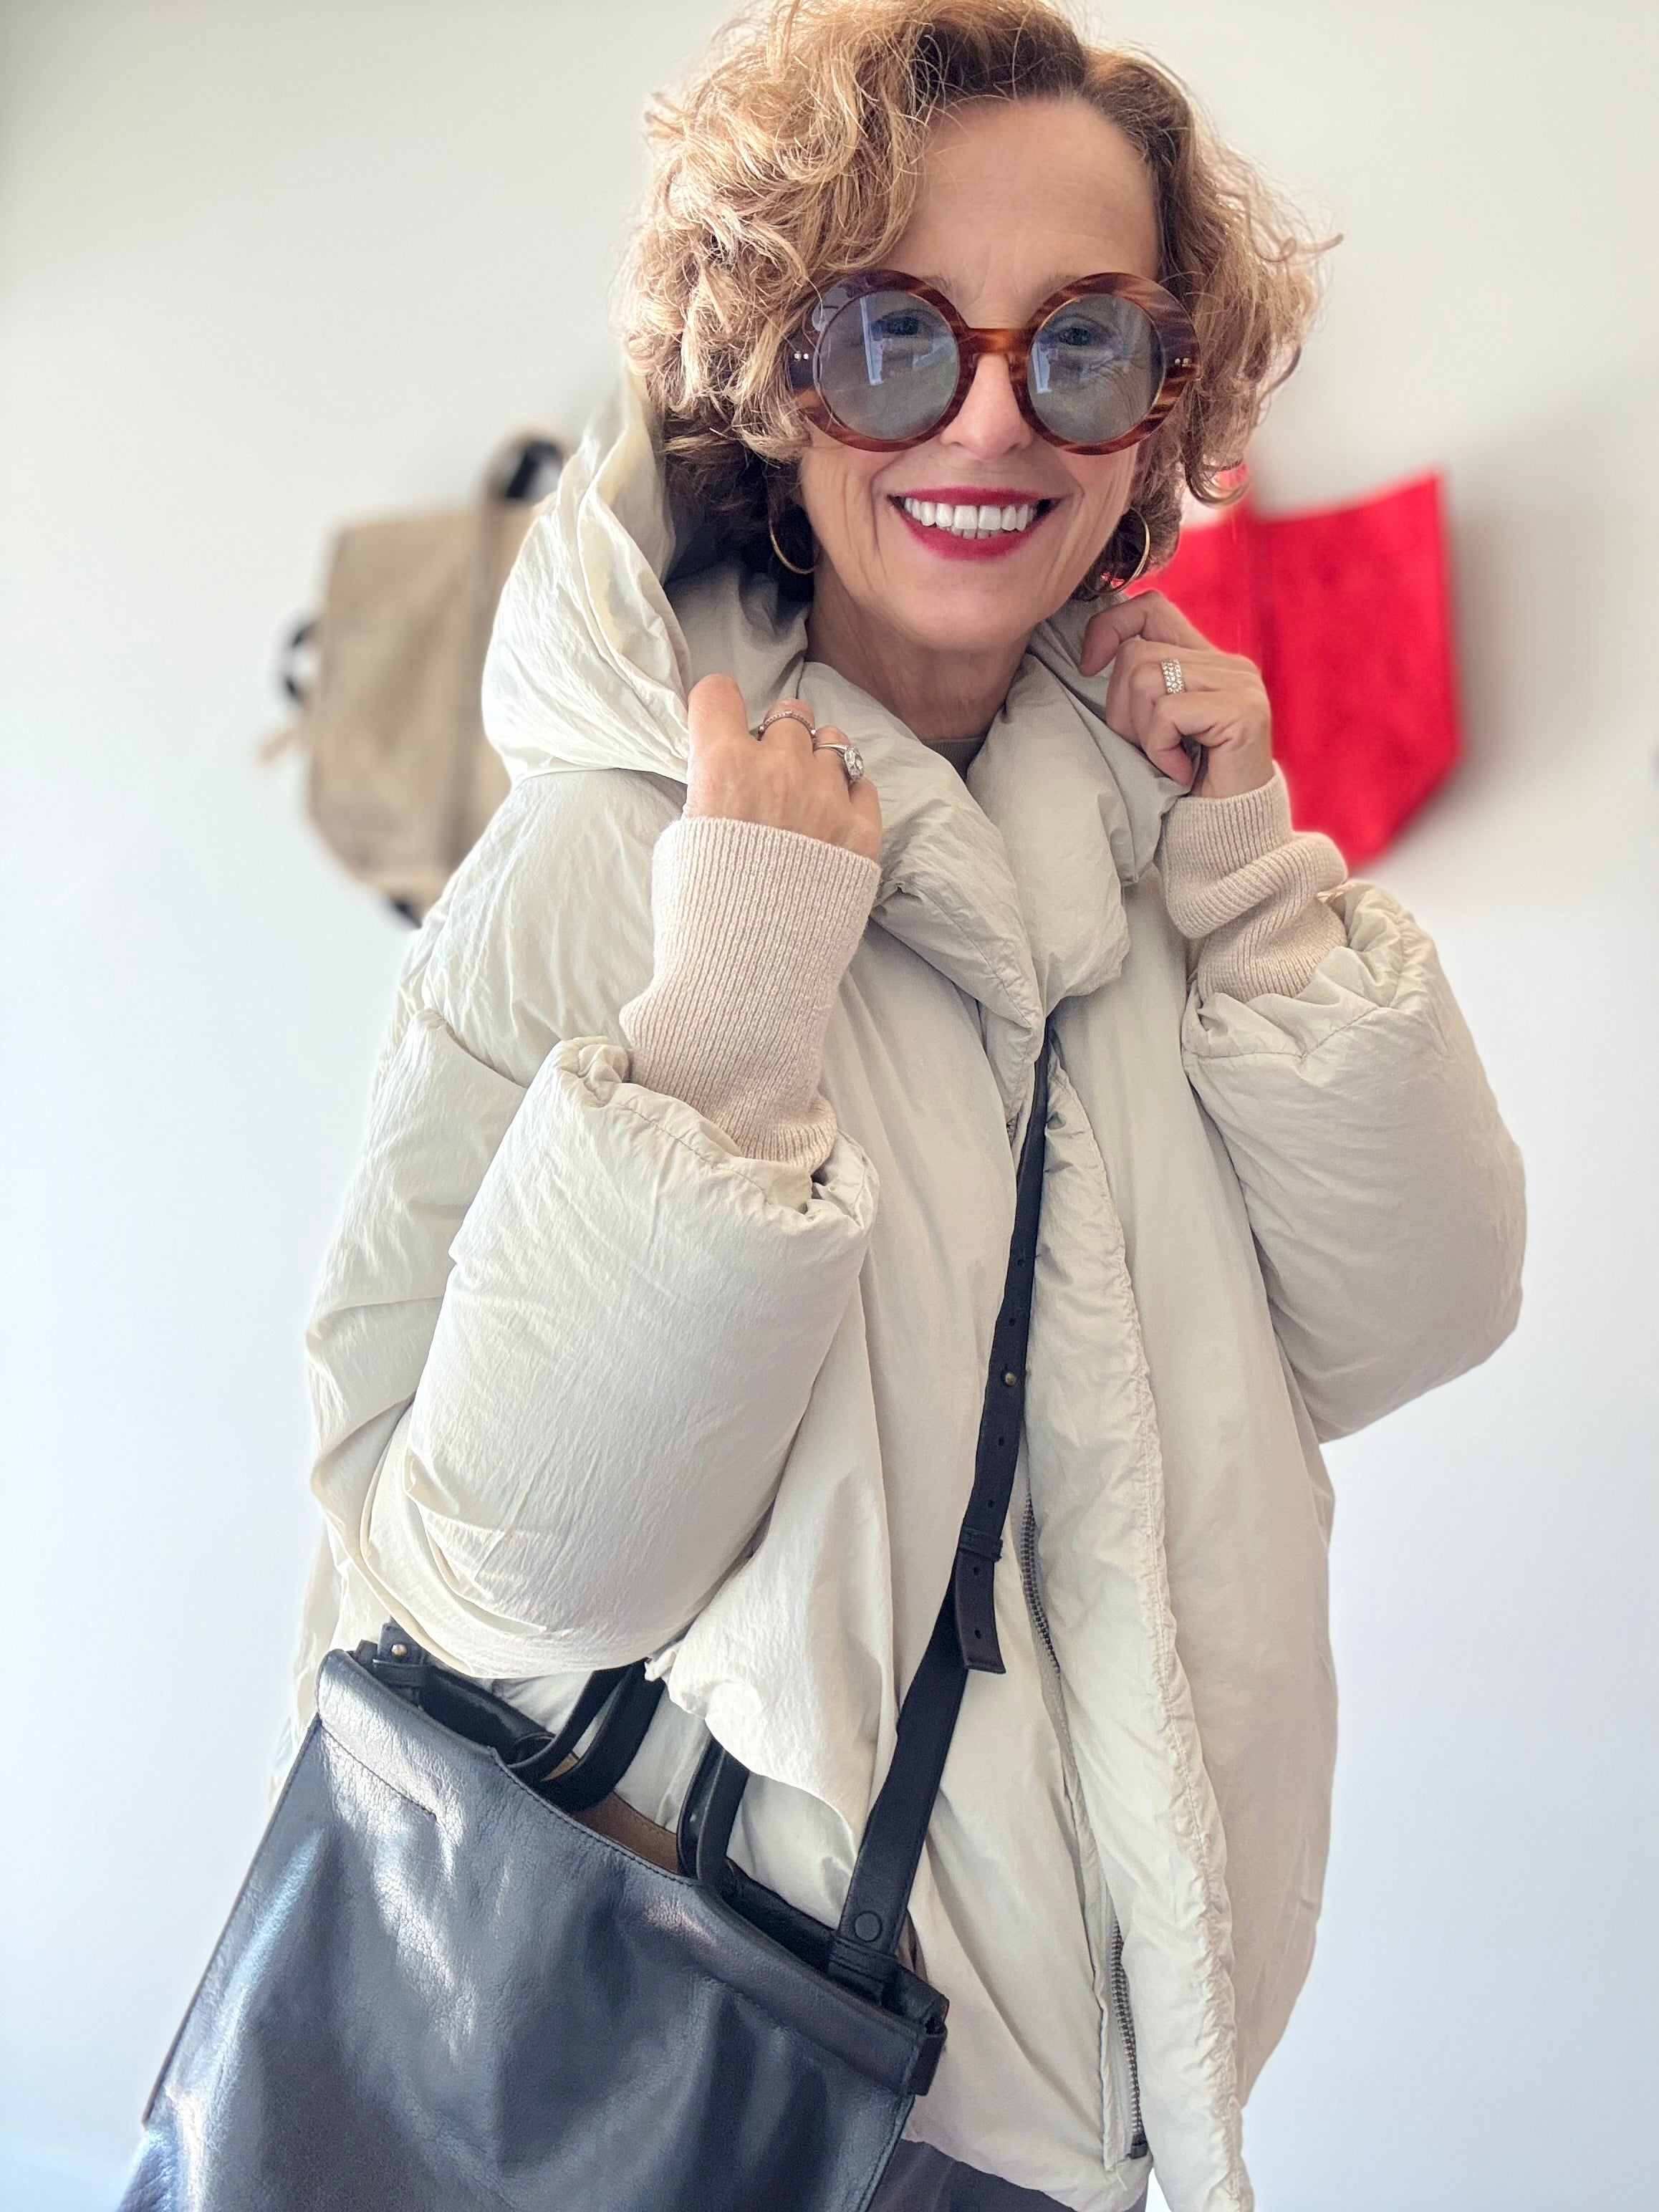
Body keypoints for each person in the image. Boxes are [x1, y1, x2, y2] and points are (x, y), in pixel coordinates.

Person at [289, 3, 1525, 2206]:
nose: (981, 417)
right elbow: (494, 1574)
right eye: (885, 336)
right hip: (692, 2071)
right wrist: (735, 1001)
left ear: (1162, 405)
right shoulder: (608, 853)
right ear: (770, 369)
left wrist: (1244, 878)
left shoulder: (1151, 833)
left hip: (1070, 2104)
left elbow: (1409, 1319)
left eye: (1077, 346)